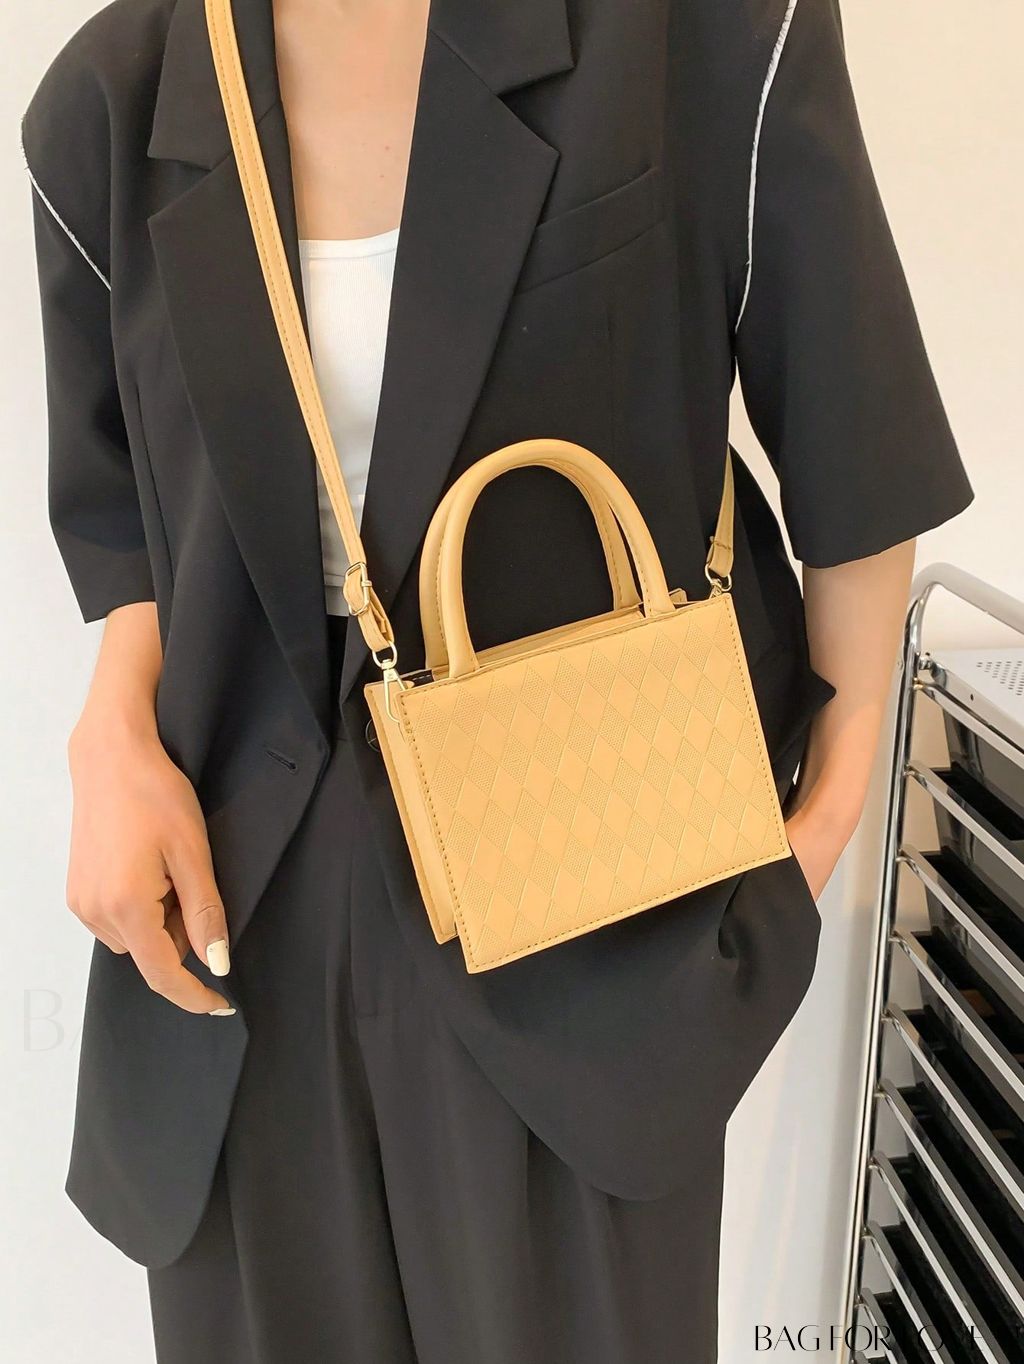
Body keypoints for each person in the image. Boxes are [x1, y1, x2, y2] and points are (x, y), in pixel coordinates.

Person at [23, 0, 973, 1359]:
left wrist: (820, 821)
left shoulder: (707, 34)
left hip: (584, 892)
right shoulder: (109, 107)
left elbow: (855, 437)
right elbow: (128, 510)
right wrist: (108, 734)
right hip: (243, 914)